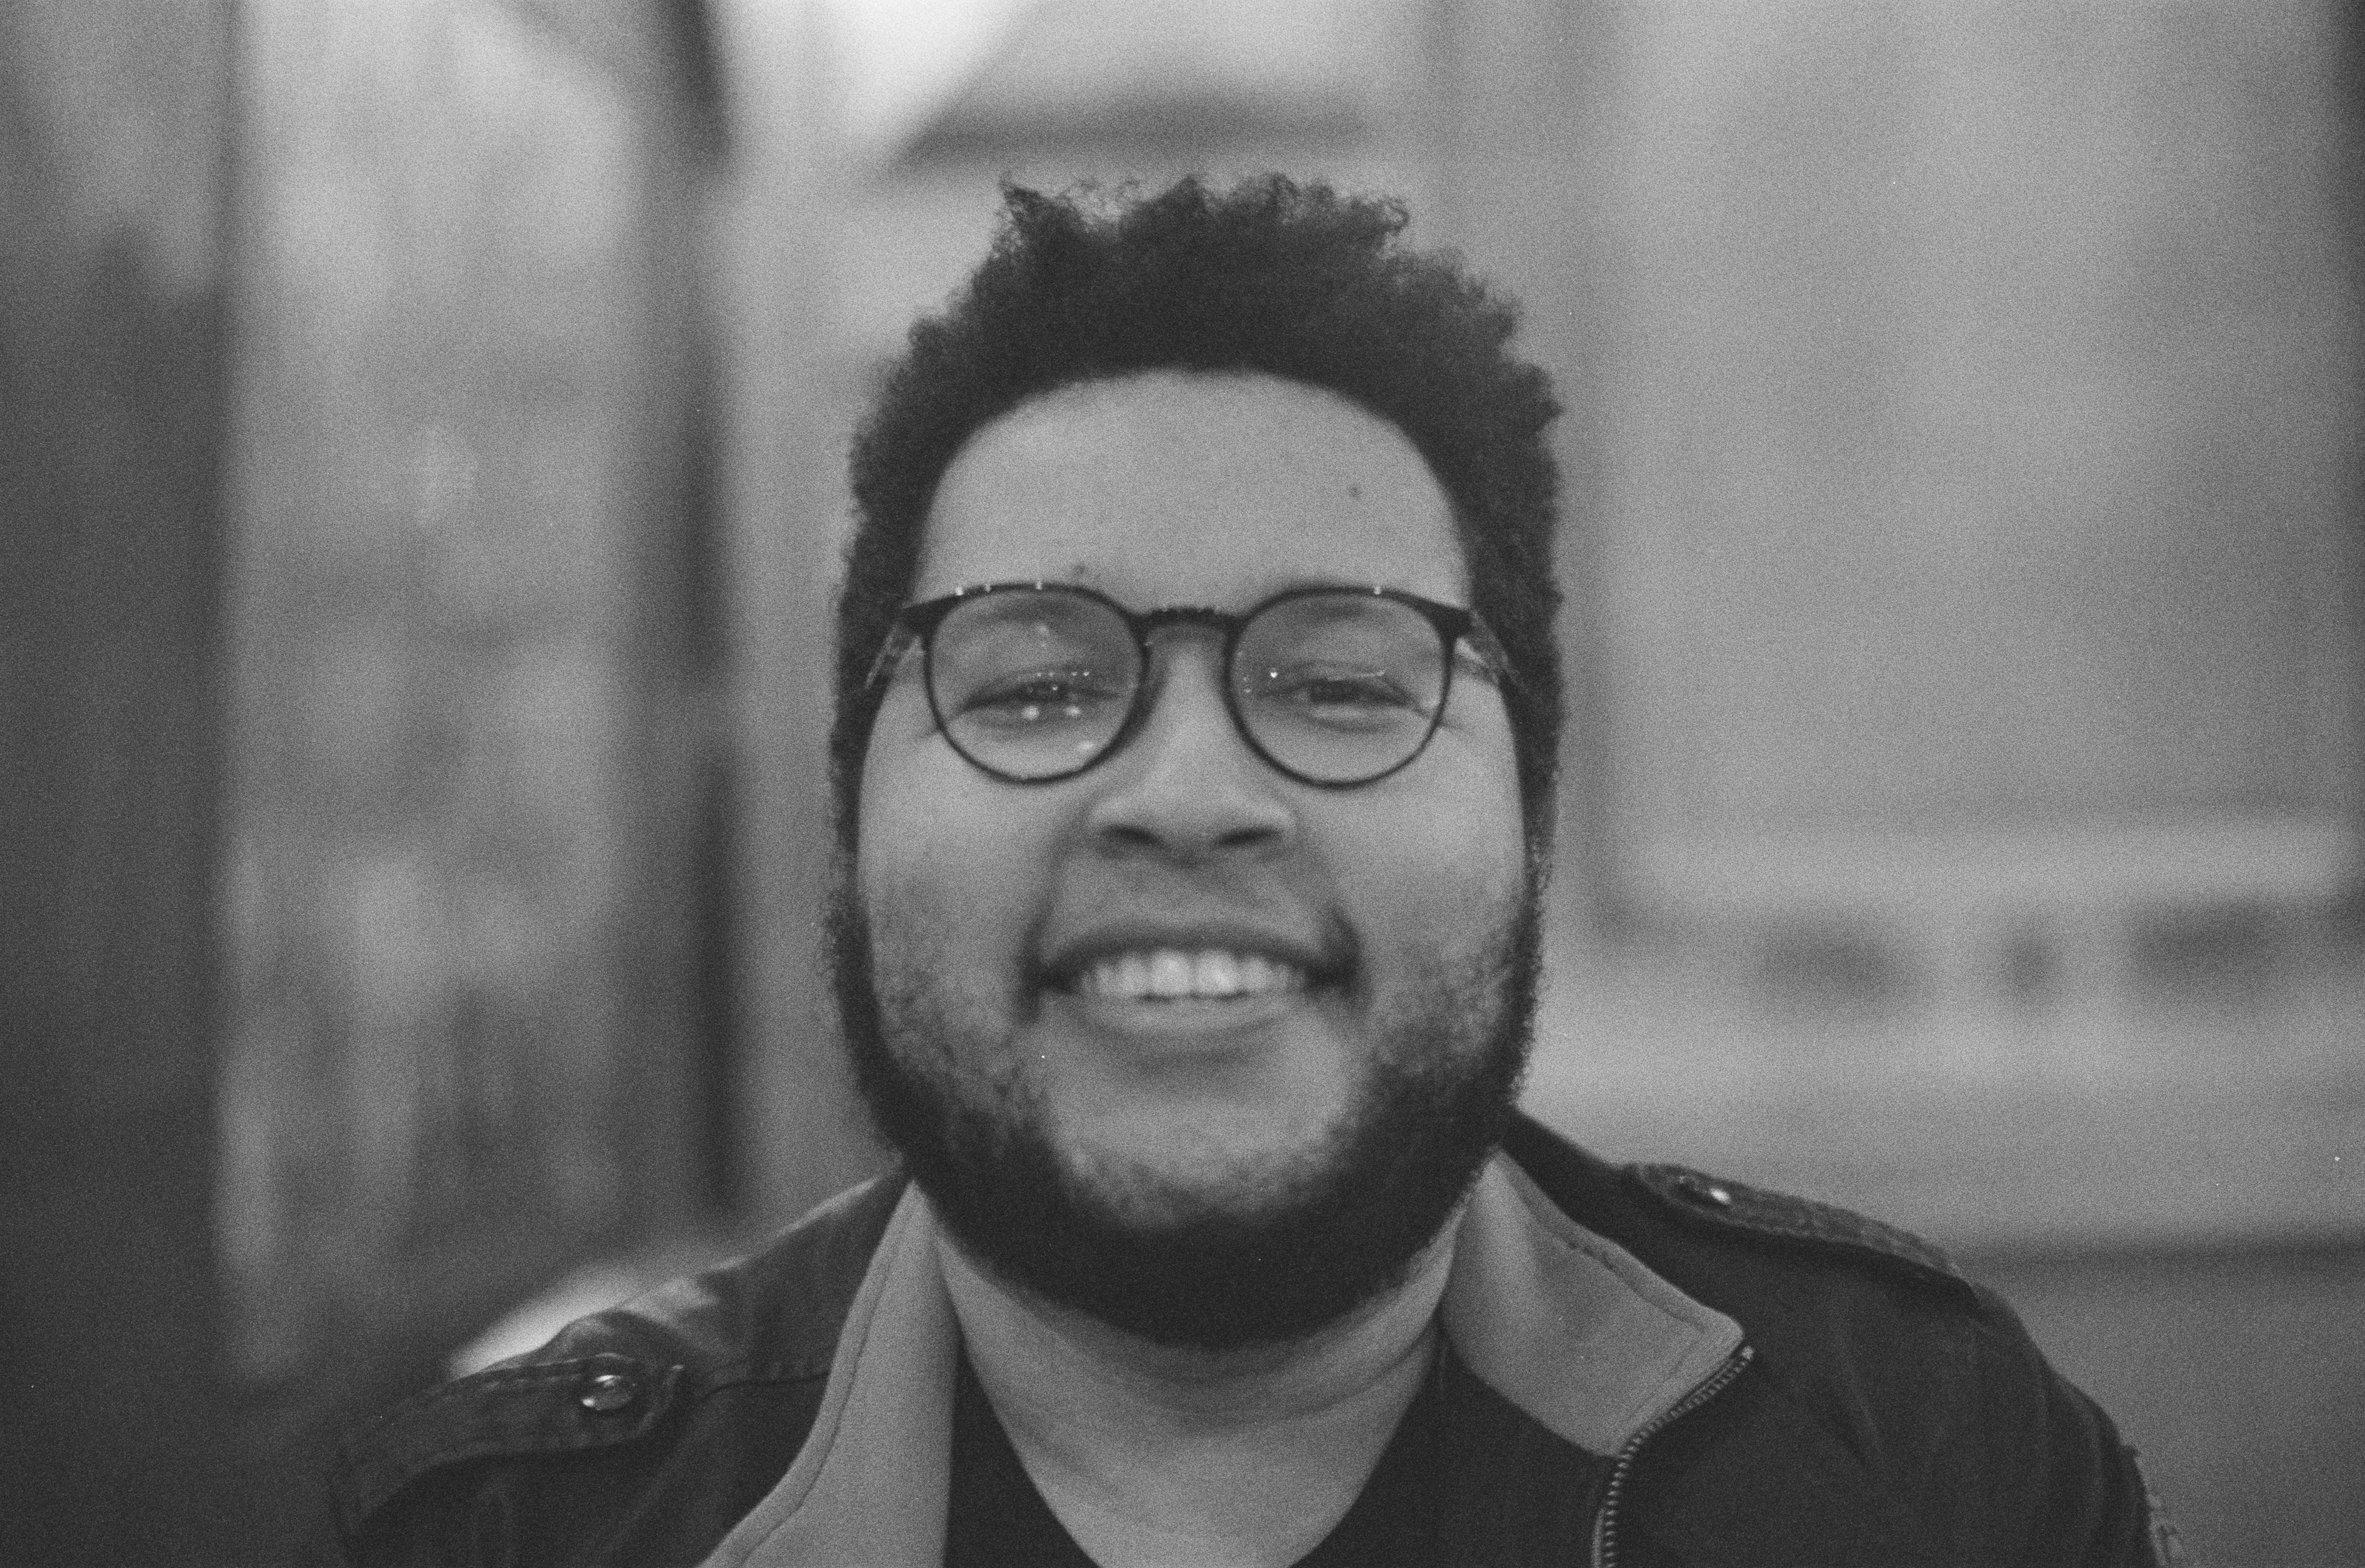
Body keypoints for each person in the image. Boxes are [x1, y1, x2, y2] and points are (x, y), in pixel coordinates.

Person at [332, 176, 2179, 1567]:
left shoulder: (1935, 1466)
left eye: (1341, 683)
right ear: (851, 818)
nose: (1191, 793)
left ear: (1528, 819)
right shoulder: (517, 1535)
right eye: (1037, 685)